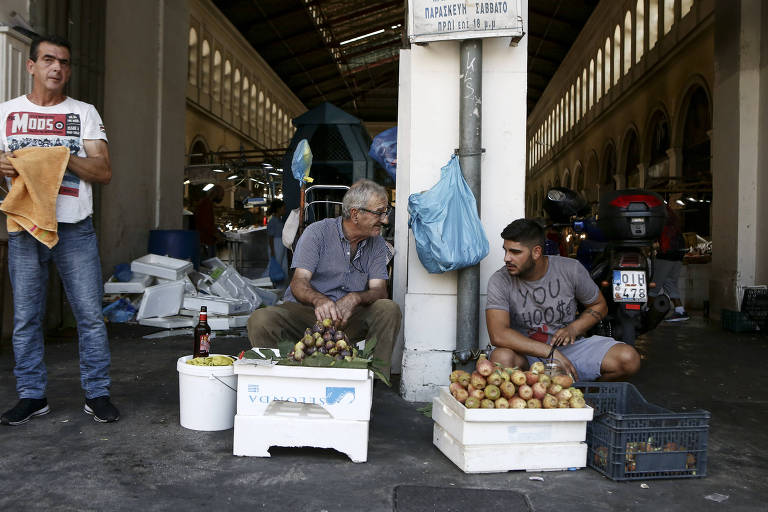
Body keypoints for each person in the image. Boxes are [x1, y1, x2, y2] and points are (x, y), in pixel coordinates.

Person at [0, 35, 119, 424]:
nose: (57, 68)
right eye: (48, 60)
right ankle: (32, 396)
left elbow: (102, 171)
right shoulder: (6, 113)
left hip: (74, 227)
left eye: (64, 62)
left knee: (88, 314)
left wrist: (60, 158)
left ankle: (97, 393)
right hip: (24, 227)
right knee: (26, 316)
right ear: (31, 65)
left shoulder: (83, 113)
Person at [247, 179, 401, 377]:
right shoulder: (318, 233)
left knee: (388, 309)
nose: (385, 220)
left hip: (349, 318)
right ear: (355, 214)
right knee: (260, 320)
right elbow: (298, 282)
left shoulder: (377, 244)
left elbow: (380, 290)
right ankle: (280, 378)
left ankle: (374, 380)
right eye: (379, 213)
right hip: (307, 313)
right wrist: (319, 300)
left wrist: (355, 298)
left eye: (385, 212)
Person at [485, 218, 640, 381]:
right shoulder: (500, 280)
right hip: (526, 354)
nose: (506, 258)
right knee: (501, 358)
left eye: (515, 252)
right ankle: (528, 401)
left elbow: (599, 305)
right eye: (506, 250)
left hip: (570, 350)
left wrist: (574, 328)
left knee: (628, 359)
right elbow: (498, 334)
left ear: (536, 252)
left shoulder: (571, 269)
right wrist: (549, 352)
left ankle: (585, 398)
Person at [651, 206, 689, 321]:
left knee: (654, 285)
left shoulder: (659, 218)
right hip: (678, 255)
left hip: (666, 255)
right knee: (669, 282)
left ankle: (644, 312)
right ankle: (680, 311)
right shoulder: (673, 220)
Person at [193, 184, 225, 258]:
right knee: (208, 265)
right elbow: (206, 225)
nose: (222, 198)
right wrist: (217, 236)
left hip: (206, 240)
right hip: (205, 242)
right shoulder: (206, 204)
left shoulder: (207, 203)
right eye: (221, 195)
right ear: (215, 193)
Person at [266, 199, 288, 288]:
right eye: (283, 209)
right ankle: (266, 283)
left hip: (281, 244)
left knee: (283, 266)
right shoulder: (272, 221)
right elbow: (270, 237)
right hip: (276, 244)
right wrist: (272, 250)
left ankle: (281, 289)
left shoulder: (279, 220)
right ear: (278, 209)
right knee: (275, 266)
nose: (284, 210)